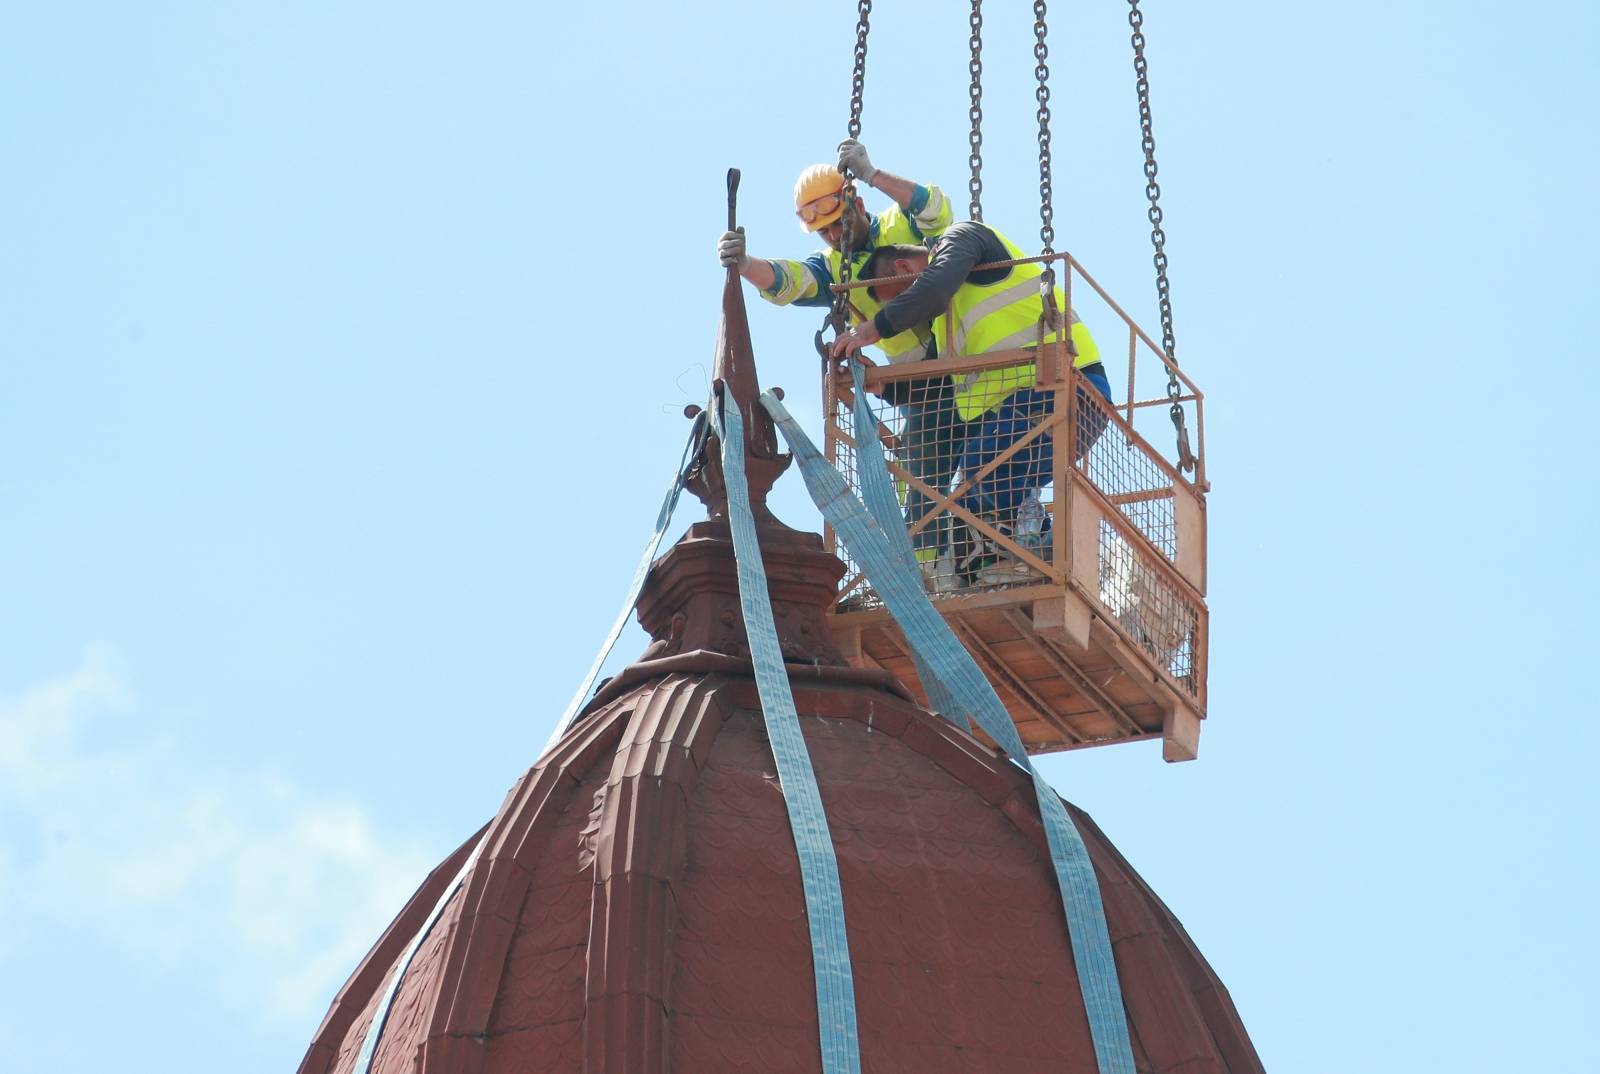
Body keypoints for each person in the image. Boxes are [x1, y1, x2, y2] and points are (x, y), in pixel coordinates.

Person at [718, 141, 966, 586]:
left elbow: (935, 210)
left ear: (858, 204)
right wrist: (747, 264)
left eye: (838, 224)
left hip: (967, 366)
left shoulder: (900, 224)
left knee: (984, 468)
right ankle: (933, 573)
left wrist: (872, 173)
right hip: (923, 388)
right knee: (920, 478)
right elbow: (792, 281)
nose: (834, 236)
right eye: (824, 232)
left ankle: (980, 556)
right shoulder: (837, 268)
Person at [830, 219, 1115, 583]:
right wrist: (876, 385)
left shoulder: (966, 237)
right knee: (965, 504)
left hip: (1069, 388)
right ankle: (1000, 570)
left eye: (902, 298)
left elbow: (933, 288)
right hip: (1035, 408)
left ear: (904, 268)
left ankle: (1046, 544)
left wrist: (871, 330)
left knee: (981, 465)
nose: (910, 312)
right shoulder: (945, 322)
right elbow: (933, 384)